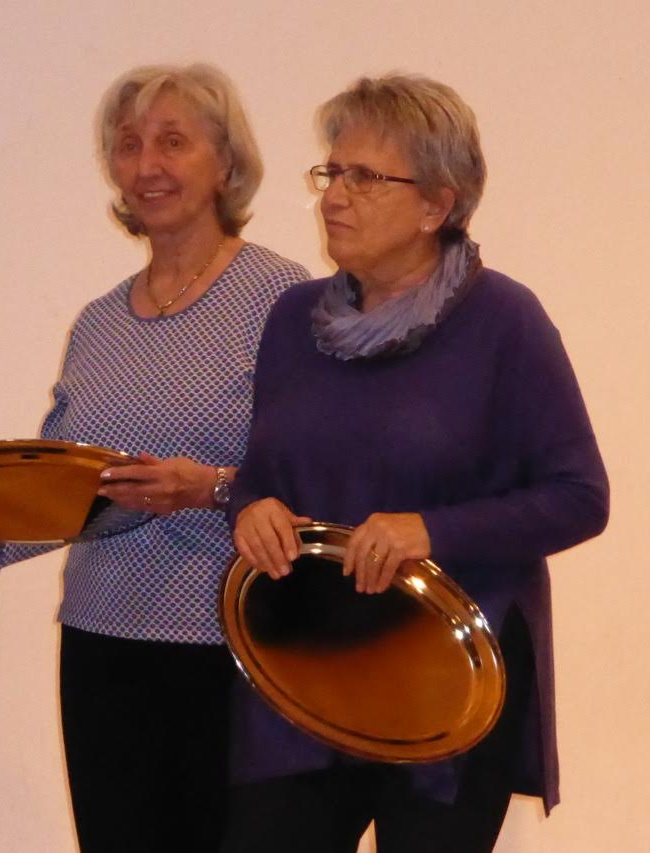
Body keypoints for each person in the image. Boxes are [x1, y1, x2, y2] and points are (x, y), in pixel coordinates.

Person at [0, 64, 308, 852]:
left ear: (226, 163)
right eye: (128, 145)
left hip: (232, 647)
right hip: (100, 644)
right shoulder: (99, 322)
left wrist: (211, 488)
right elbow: (66, 494)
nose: (148, 166)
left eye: (173, 142)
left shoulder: (281, 299)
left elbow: (317, 474)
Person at [225, 74, 609, 852]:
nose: (335, 196)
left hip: (447, 679)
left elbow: (579, 496)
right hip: (308, 667)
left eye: (365, 177)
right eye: (332, 172)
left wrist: (430, 531)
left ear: (437, 205)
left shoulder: (505, 320)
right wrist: (250, 508)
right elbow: (264, 473)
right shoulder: (292, 318)